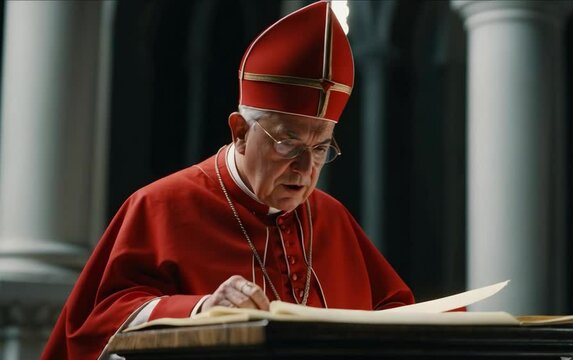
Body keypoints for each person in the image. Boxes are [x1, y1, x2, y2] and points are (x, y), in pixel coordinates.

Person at [42, 1, 414, 359]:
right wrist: (203, 308)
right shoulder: (161, 205)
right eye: (288, 144)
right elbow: (98, 321)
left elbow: (397, 310)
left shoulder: (330, 217)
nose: (305, 168)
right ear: (239, 132)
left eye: (320, 149)